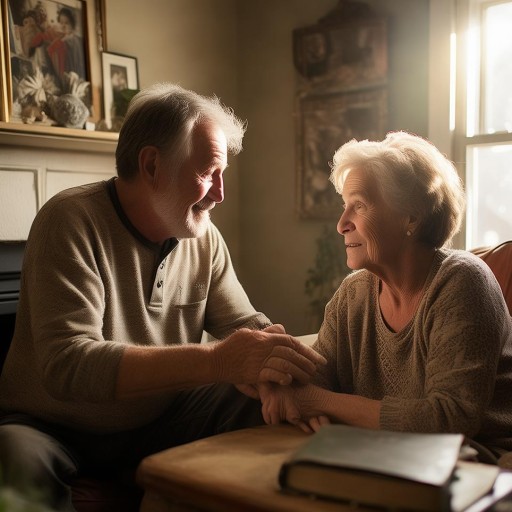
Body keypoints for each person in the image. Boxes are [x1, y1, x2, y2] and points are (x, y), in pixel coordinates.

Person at [0, 83, 325, 510]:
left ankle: (138, 487)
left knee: (260, 400)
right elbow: (69, 364)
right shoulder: (70, 221)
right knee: (12, 460)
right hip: (53, 428)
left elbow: (245, 326)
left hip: (158, 421)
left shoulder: (203, 238)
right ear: (152, 164)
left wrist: (277, 372)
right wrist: (217, 360)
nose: (220, 193)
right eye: (209, 172)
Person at [260, 131, 512, 463]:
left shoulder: (462, 281)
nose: (341, 224)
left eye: (359, 206)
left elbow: (450, 419)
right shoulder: (353, 294)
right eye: (344, 206)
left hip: (478, 462)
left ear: (411, 217)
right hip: (385, 453)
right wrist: (279, 382)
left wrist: (316, 403)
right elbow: (315, 379)